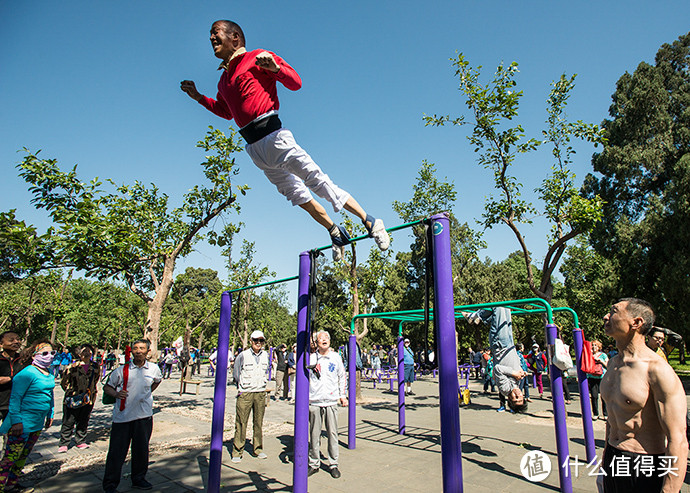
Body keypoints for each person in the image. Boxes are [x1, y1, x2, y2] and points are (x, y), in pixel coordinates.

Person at [180, 20, 390, 262]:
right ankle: (335, 231)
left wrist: (275, 69)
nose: (211, 39)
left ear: (235, 37)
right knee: (297, 196)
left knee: (318, 182)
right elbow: (226, 112)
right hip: (255, 150)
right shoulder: (223, 81)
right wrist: (198, 97)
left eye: (215, 33)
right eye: (210, 35)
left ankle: (370, 220)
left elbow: (296, 82)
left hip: (275, 137)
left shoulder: (258, 57)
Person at [600, 298, 687, 493]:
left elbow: (678, 438)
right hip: (613, 458)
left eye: (613, 311)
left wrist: (669, 490)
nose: (606, 316)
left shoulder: (657, 370)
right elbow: (612, 416)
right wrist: (606, 461)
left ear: (636, 323)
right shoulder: (613, 364)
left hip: (644, 463)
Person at [102, 339, 162, 493]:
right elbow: (108, 387)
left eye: (142, 348)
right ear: (132, 351)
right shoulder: (121, 371)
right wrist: (116, 394)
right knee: (117, 452)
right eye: (135, 348)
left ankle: (139, 478)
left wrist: (145, 394)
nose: (138, 351)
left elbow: (156, 382)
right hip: (123, 417)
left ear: (148, 351)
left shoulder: (154, 369)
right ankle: (110, 484)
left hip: (144, 416)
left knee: (141, 450)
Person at [0, 341, 55, 493]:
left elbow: (49, 395)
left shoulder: (49, 374)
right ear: (34, 356)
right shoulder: (26, 374)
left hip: (36, 423)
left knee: (23, 456)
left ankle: (11, 484)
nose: (49, 356)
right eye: (44, 353)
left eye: (52, 353)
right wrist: (17, 421)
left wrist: (50, 413)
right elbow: (15, 398)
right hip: (22, 424)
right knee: (10, 458)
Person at [464, 308, 528, 413]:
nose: (518, 395)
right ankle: (479, 317)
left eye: (515, 398)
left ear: (510, 399)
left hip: (500, 346)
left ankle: (476, 316)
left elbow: (498, 369)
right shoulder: (516, 385)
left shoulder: (505, 389)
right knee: (506, 309)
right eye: (520, 397)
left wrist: (515, 373)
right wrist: (522, 371)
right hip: (509, 346)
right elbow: (513, 367)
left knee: (499, 308)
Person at [308, 331, 347, 479]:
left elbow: (341, 376)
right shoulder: (311, 358)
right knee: (314, 434)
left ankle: (333, 464)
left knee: (332, 433)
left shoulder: (336, 357)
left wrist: (342, 396)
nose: (324, 340)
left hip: (331, 401)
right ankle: (314, 463)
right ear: (316, 342)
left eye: (326, 338)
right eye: (320, 338)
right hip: (315, 401)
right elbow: (305, 380)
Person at [231, 330, 269, 462]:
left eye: (261, 341)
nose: (258, 343)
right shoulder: (243, 355)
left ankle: (258, 449)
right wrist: (241, 388)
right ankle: (237, 451)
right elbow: (236, 374)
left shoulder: (266, 355)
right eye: (256, 340)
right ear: (251, 341)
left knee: (258, 422)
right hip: (246, 392)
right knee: (241, 422)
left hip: (260, 392)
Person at [58, 344, 100, 452]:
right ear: (79, 353)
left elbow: (96, 379)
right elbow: (64, 382)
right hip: (73, 397)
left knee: (83, 420)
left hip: (88, 397)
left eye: (89, 351)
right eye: (84, 351)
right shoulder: (72, 367)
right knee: (69, 420)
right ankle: (64, 442)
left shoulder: (95, 366)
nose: (86, 353)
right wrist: (71, 391)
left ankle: (80, 440)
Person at [0, 331, 27, 424]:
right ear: (1, 344)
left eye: (18, 339)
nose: (16, 342)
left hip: (16, 405)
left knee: (12, 436)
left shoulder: (24, 360)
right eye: (11, 340)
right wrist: (12, 378)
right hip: (1, 401)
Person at [587, 339, 608, 420]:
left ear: (599, 347)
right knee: (594, 396)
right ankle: (595, 413)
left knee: (604, 396)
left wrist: (601, 361)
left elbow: (607, 365)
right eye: (592, 345)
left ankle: (605, 413)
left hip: (602, 377)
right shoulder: (589, 355)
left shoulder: (603, 355)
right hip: (592, 377)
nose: (593, 347)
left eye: (595, 345)